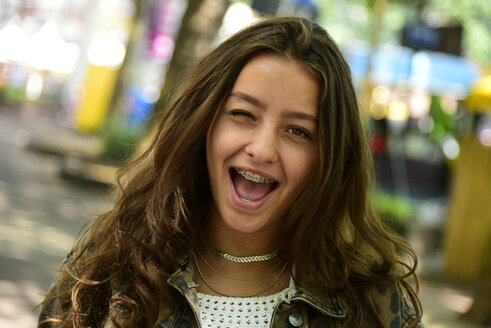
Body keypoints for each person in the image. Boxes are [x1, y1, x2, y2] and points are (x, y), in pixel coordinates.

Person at [38, 16, 423, 328]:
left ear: (329, 157)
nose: (261, 148)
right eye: (243, 114)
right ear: (204, 122)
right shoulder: (112, 259)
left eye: (298, 131)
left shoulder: (375, 304)